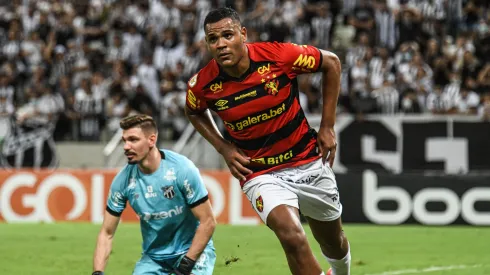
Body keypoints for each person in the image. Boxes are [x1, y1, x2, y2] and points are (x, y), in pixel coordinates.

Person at [185, 7, 351, 275]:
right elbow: (193, 111)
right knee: (292, 237)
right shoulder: (202, 84)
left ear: (243, 34)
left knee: (334, 242)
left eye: (227, 35)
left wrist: (328, 126)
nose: (221, 44)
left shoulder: (278, 56)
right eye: (213, 39)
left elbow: (331, 63)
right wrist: (223, 147)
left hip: (307, 160)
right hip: (259, 172)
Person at [92, 114, 216, 275]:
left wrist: (186, 265)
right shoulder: (122, 181)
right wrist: (97, 272)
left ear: (151, 140)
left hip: (192, 252)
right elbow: (107, 233)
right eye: (124, 140)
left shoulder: (182, 169)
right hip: (154, 258)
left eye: (133, 140)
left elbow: (208, 221)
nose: (126, 146)